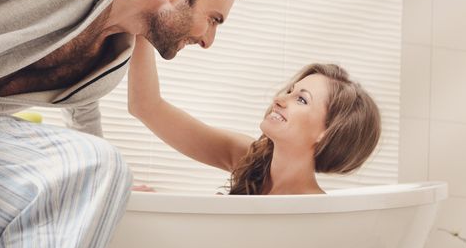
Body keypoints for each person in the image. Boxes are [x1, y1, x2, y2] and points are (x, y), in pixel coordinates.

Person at [0, 0, 249, 248]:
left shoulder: (112, 57)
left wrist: (112, 188)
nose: (209, 40)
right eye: (213, 20)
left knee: (102, 165)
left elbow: (83, 116)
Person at [128, 36, 381, 195]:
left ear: (328, 132)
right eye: (290, 91)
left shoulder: (320, 214)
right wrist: (144, 25)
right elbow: (145, 106)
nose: (280, 99)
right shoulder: (250, 161)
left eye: (301, 99)